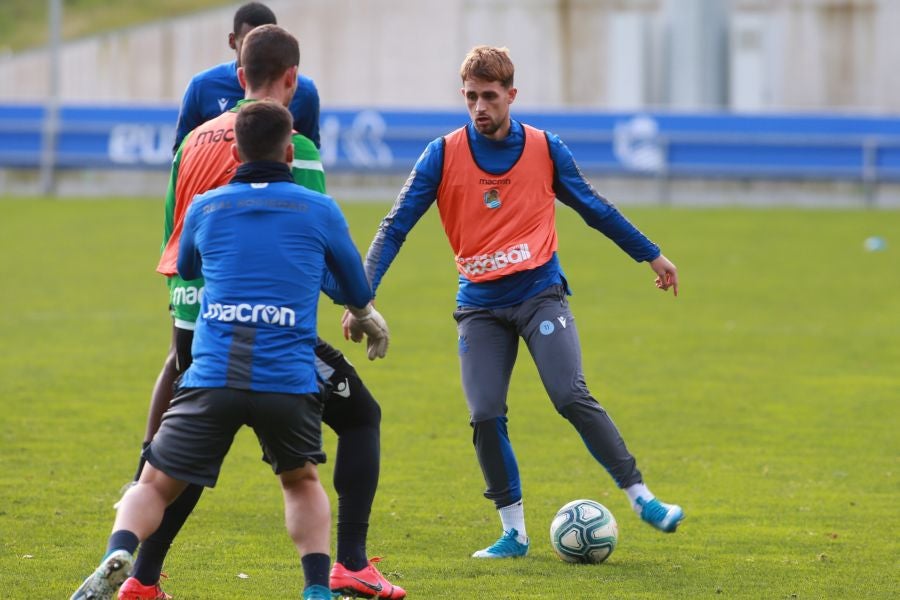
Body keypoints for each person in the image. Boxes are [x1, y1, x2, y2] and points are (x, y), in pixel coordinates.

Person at [345, 45, 685, 560]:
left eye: (489, 96)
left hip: (540, 296)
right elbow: (394, 229)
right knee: (484, 414)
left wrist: (651, 255)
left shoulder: (546, 149)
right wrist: (360, 297)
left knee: (570, 394)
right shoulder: (440, 154)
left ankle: (641, 497)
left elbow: (594, 207)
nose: (479, 107)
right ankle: (514, 532)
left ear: (511, 95)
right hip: (479, 308)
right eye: (470, 97)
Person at [118, 25, 405, 600]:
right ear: (291, 89)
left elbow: (183, 258)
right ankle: (336, 572)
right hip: (281, 354)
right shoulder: (305, 168)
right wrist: (363, 312)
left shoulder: (193, 146)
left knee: (165, 474)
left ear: (237, 70)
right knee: (329, 450)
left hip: (204, 338)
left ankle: (131, 570)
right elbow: (340, 275)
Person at [72, 101, 381, 600]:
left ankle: (121, 549)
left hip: (212, 372)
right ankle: (317, 589)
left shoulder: (206, 206)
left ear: (236, 150)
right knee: (301, 482)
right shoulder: (319, 209)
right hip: (288, 379)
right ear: (288, 150)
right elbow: (356, 289)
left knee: (153, 485)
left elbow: (190, 266)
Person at [172, 1, 320, 151]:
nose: (256, 53)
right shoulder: (202, 86)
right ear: (232, 41)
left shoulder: (304, 92)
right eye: (246, 43)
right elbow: (182, 151)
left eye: (265, 46)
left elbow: (309, 154)